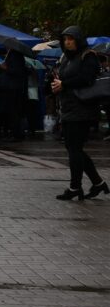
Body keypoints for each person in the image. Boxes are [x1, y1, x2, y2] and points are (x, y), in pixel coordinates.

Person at [52, 26, 108, 200]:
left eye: (71, 39)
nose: (68, 42)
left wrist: (64, 84)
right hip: (68, 106)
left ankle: (75, 187)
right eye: (65, 39)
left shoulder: (88, 56)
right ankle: (98, 183)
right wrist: (56, 85)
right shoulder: (66, 58)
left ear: (78, 39)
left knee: (74, 149)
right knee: (73, 148)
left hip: (83, 108)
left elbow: (87, 78)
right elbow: (63, 78)